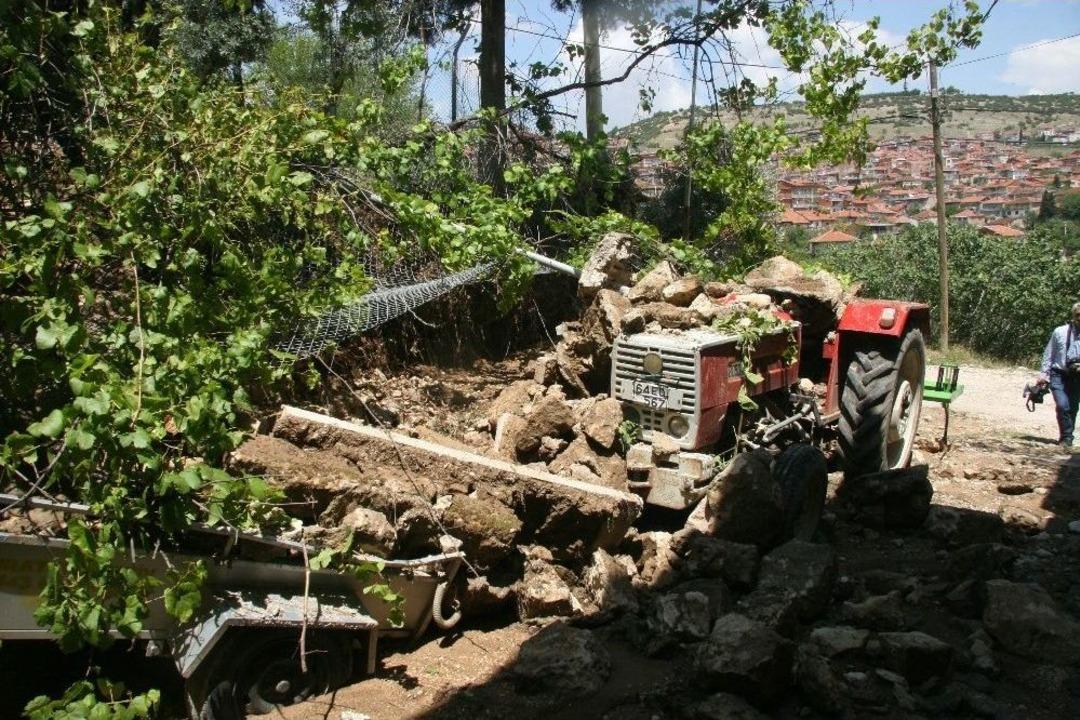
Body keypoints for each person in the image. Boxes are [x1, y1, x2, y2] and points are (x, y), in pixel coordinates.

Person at [1039, 302, 1080, 449]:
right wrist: (1044, 374)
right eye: (1078, 315)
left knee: (1073, 407)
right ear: (1074, 315)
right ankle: (1067, 437)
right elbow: (1049, 353)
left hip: (1077, 377)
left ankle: (1066, 437)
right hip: (1059, 374)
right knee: (1063, 405)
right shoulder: (1060, 332)